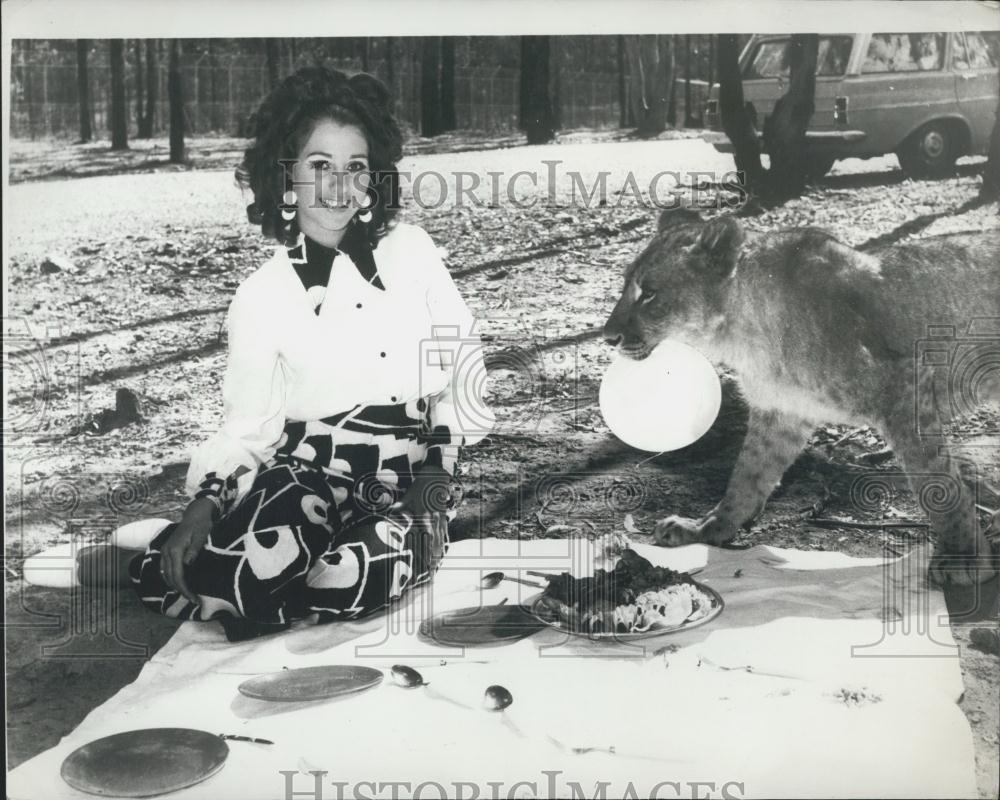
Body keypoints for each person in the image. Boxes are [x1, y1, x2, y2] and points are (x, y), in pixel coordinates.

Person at [124, 67, 493, 640]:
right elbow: (250, 428)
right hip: (306, 473)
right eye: (320, 166)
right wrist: (204, 503)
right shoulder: (260, 295)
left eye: (355, 168)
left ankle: (219, 574)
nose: (339, 187)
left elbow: (462, 364)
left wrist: (438, 469)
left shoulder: (412, 253)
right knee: (257, 566)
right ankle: (176, 556)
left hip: (406, 479)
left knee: (351, 578)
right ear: (286, 176)